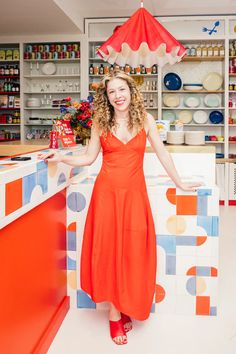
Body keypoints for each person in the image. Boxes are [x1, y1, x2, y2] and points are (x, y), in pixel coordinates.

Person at [38, 69, 201, 345]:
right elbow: (89, 158)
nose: (117, 96)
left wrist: (181, 183)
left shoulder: (146, 120)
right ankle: (114, 316)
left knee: (132, 252)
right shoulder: (101, 122)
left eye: (121, 90)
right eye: (111, 92)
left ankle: (126, 305)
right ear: (107, 97)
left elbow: (163, 154)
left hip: (135, 196)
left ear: (130, 91)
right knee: (111, 251)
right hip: (107, 196)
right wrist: (61, 156)